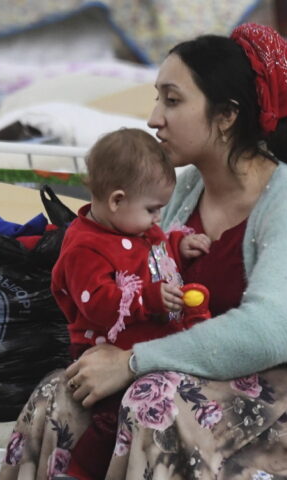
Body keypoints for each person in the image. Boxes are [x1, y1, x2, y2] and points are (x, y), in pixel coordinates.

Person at [0, 23, 287, 480]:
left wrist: (132, 362)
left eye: (172, 100)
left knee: (159, 402)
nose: (154, 118)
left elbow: (267, 334)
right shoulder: (178, 193)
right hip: (206, 378)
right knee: (62, 396)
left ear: (226, 115)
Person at [52, 128, 212, 478]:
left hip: (148, 343)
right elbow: (96, 303)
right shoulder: (85, 247)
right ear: (116, 200)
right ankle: (79, 470)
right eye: (153, 209)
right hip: (105, 349)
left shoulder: (137, 227)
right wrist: (149, 298)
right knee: (114, 414)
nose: (159, 219)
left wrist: (178, 248)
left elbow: (155, 258)